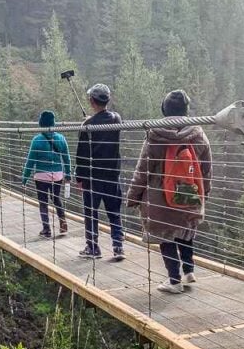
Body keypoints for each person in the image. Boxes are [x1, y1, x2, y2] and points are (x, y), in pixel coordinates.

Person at [126, 90, 212, 294]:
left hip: (160, 197)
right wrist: (205, 193)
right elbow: (206, 168)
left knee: (165, 234)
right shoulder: (198, 134)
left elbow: (143, 170)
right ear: (186, 110)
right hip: (189, 191)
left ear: (164, 109)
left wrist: (133, 196)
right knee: (185, 227)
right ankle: (188, 271)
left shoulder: (155, 135)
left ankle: (174, 280)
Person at [75, 83, 124, 261]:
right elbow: (105, 119)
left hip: (93, 177)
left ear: (92, 101)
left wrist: (79, 178)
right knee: (114, 211)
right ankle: (118, 247)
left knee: (91, 212)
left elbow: (81, 154)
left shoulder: (87, 125)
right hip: (112, 175)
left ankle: (93, 247)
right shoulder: (116, 119)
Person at [21, 110, 72, 239]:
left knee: (43, 202)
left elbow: (30, 161)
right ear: (53, 123)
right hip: (57, 175)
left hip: (41, 176)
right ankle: (63, 222)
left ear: (41, 124)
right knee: (56, 198)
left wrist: (25, 178)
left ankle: (46, 229)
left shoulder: (36, 140)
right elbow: (66, 158)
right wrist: (68, 174)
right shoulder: (61, 138)